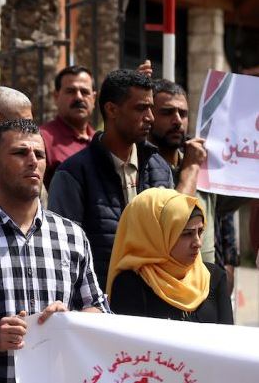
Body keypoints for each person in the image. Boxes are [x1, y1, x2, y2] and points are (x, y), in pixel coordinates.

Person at [0, 119, 107, 383]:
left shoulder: (72, 236)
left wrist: (70, 320)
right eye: (20, 153)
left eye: (39, 154)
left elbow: (98, 309)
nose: (32, 161)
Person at [49, 69, 173, 287]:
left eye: (151, 108)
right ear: (112, 109)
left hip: (156, 296)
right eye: (141, 108)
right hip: (98, 299)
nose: (150, 117)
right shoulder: (74, 173)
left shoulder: (160, 168)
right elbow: (63, 252)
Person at [107, 188, 233, 325]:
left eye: (200, 232)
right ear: (156, 235)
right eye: (187, 234)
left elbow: (228, 336)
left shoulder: (213, 278)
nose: (198, 243)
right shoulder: (131, 285)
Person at [148, 79, 214, 262]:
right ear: (149, 115)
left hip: (206, 276)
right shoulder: (141, 167)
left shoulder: (201, 161)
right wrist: (191, 168)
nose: (177, 120)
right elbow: (174, 219)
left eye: (183, 113)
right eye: (167, 112)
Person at [40, 65, 97, 188]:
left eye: (85, 92)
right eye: (70, 91)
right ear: (56, 97)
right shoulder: (42, 139)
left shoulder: (100, 141)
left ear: (94, 98)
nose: (79, 97)